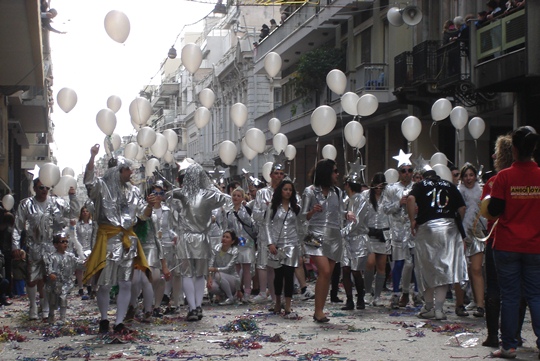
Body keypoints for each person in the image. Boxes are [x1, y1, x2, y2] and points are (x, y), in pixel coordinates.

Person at [83, 145, 153, 334]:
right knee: (104, 284)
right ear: (119, 170)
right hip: (108, 241)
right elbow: (88, 180)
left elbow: (143, 215)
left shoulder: (134, 191)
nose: (132, 173)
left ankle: (119, 321)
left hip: (128, 242)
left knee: (125, 283)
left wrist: (151, 206)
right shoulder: (101, 187)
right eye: (129, 169)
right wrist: (92, 156)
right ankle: (104, 318)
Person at [487, 126, 540, 359]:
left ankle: (508, 346)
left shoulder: (504, 177)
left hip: (507, 245)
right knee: (536, 295)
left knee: (509, 296)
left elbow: (495, 210)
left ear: (514, 149)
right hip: (535, 246)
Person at [12, 178, 78, 321]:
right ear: (34, 188)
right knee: (32, 278)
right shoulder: (26, 204)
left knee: (49, 278)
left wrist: (72, 196)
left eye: (47, 188)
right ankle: (33, 306)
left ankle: (46, 306)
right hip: (34, 246)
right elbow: (18, 226)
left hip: (50, 247)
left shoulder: (57, 203)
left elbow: (72, 213)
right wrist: (15, 245)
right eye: (41, 188)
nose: (44, 191)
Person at [407, 170, 467, 321]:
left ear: (426, 177)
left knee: (427, 269)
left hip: (427, 227)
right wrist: (455, 222)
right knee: (444, 269)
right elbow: (462, 208)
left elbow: (410, 198)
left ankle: (428, 307)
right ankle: (439, 309)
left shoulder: (420, 185)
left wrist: (412, 220)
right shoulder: (450, 185)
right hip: (449, 228)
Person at [171, 163, 228, 321]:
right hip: (201, 238)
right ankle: (196, 306)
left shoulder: (182, 193)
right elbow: (222, 198)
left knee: (188, 273)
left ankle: (193, 307)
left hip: (188, 238)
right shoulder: (208, 194)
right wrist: (211, 184)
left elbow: (169, 196)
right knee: (198, 274)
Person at [300, 159, 354, 322]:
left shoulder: (337, 191)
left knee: (327, 274)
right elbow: (300, 216)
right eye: (335, 171)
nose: (338, 174)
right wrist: (311, 212)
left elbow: (339, 212)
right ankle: (318, 311)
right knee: (323, 270)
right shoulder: (310, 191)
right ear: (326, 173)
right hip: (315, 235)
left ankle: (319, 310)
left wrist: (347, 214)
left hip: (334, 236)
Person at [481, 134, 514, 347]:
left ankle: (493, 335)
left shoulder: (495, 180)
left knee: (493, 287)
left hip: (496, 239)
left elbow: (487, 212)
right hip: (527, 242)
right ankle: (515, 336)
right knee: (516, 291)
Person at [384, 159, 419, 309]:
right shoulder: (391, 189)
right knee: (398, 264)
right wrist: (399, 203)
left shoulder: (418, 188)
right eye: (404, 170)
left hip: (414, 231)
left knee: (415, 264)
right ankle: (396, 294)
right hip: (398, 231)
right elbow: (385, 209)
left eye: (410, 170)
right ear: (399, 173)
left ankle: (416, 294)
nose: (407, 173)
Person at [266, 180, 302, 319]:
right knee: (278, 275)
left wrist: (300, 246)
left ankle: (287, 305)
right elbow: (266, 225)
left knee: (289, 275)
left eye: (290, 190)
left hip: (292, 245)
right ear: (280, 190)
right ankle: (277, 302)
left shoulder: (295, 208)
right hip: (277, 245)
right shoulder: (273, 207)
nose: (288, 192)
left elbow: (300, 226)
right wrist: (270, 243)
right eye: (285, 189)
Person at [252, 156, 286, 305]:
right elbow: (256, 215)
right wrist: (267, 208)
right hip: (266, 234)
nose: (279, 176)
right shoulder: (262, 193)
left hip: (283, 235)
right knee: (267, 265)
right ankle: (271, 296)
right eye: (276, 173)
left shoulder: (287, 191)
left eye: (281, 173)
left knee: (282, 266)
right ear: (271, 175)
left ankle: (282, 296)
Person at [458, 163, 486, 318]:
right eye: (466, 175)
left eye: (471, 175)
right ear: (462, 178)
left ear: (475, 176)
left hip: (477, 233)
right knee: (464, 270)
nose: (469, 178)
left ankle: (480, 305)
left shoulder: (482, 192)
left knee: (476, 269)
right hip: (461, 234)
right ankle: (463, 303)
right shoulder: (458, 193)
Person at [150, 181, 180, 314]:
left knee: (166, 274)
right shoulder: (147, 210)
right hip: (152, 246)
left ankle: (162, 300)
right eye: (155, 193)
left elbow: (172, 228)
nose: (157, 196)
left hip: (167, 245)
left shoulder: (168, 210)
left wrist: (175, 236)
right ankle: (150, 302)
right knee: (153, 275)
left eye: (160, 193)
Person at [340, 172, 369, 311]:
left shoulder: (362, 200)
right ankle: (349, 299)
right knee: (345, 269)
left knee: (356, 270)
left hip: (358, 239)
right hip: (345, 240)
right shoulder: (344, 201)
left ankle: (360, 298)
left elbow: (357, 221)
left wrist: (341, 232)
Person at [363, 173, 391, 307]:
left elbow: (393, 210)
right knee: (370, 262)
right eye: (376, 185)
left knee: (381, 266)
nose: (379, 189)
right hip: (369, 233)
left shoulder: (388, 196)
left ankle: (378, 296)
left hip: (383, 233)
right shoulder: (365, 195)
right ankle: (367, 292)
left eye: (381, 185)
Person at [225, 187, 257, 302]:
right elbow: (227, 228)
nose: (236, 198)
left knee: (247, 268)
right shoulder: (229, 212)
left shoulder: (247, 210)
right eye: (234, 195)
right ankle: (237, 291)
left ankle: (247, 292)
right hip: (235, 243)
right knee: (236, 269)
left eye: (239, 196)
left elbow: (251, 225)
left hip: (247, 242)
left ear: (243, 197)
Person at [44, 230, 83, 324]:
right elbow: (47, 267)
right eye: (62, 242)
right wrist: (50, 274)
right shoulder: (52, 257)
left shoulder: (70, 256)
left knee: (63, 298)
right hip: (54, 284)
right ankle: (51, 315)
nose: (65, 244)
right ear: (56, 244)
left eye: (66, 241)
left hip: (65, 283)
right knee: (53, 301)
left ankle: (62, 317)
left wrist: (87, 262)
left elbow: (79, 263)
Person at [207, 230, 240, 305]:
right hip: (217, 277)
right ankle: (222, 296)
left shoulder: (235, 251)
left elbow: (228, 268)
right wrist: (209, 276)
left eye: (227, 237)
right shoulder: (216, 248)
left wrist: (216, 269)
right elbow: (210, 264)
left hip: (232, 278)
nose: (224, 239)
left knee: (218, 275)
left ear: (232, 241)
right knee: (211, 286)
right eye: (223, 237)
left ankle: (230, 297)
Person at [75, 205, 94, 300]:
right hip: (80, 248)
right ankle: (80, 287)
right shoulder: (78, 225)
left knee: (89, 268)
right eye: (83, 211)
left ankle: (89, 285)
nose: (85, 213)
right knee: (79, 268)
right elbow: (75, 237)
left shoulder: (93, 224)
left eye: (87, 211)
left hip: (90, 248)